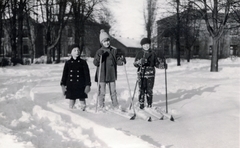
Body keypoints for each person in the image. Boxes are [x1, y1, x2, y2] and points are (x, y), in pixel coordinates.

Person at [93, 29, 126, 110]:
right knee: (102, 92)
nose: (107, 43)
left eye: (108, 41)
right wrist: (99, 56)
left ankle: (115, 104)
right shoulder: (99, 51)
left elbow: (117, 61)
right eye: (104, 41)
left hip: (111, 74)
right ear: (101, 42)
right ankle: (101, 105)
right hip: (102, 75)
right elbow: (95, 63)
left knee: (113, 91)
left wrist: (122, 61)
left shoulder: (113, 51)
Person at [133, 38, 167, 109]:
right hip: (141, 74)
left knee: (149, 90)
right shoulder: (140, 53)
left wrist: (162, 65)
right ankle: (141, 104)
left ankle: (149, 104)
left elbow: (156, 64)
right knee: (142, 89)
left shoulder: (153, 53)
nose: (146, 46)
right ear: (142, 46)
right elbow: (135, 64)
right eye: (144, 45)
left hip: (151, 74)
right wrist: (139, 62)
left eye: (147, 44)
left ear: (150, 45)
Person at [60, 44, 91, 110]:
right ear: (71, 53)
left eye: (78, 50)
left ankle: (84, 110)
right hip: (71, 85)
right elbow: (64, 75)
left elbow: (87, 75)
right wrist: (63, 85)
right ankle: (71, 110)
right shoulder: (68, 63)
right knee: (72, 99)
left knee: (82, 99)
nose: (77, 52)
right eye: (75, 50)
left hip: (81, 85)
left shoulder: (83, 62)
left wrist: (88, 84)